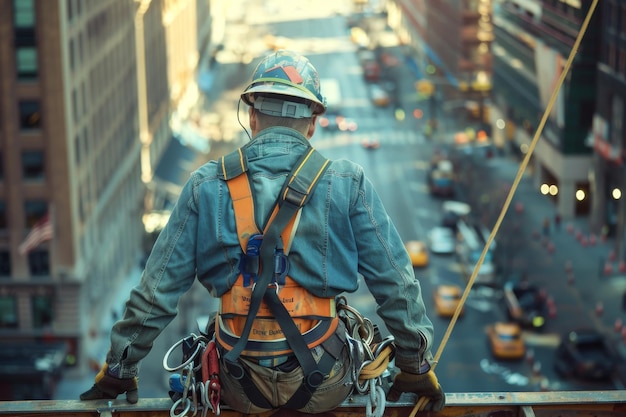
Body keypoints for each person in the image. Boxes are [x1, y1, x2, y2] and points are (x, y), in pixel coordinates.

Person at [80, 50, 444, 413]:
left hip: (236, 383)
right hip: (324, 380)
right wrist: (415, 364)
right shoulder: (347, 182)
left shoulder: (206, 184)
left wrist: (119, 368)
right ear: (313, 122)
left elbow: (155, 292)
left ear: (252, 116)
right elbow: (396, 282)